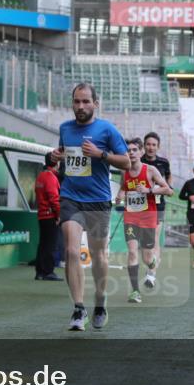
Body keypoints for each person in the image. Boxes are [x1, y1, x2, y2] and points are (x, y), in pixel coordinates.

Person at [50, 83, 129, 331]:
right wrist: (54, 157)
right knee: (72, 251)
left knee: (99, 255)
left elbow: (126, 162)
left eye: (86, 101)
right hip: (70, 197)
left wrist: (101, 154)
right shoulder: (65, 128)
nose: (81, 106)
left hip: (98, 200)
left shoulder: (107, 129)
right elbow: (63, 158)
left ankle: (100, 301)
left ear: (95, 104)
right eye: (77, 101)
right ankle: (78, 308)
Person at [115, 138, 173, 303]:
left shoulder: (150, 170)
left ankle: (153, 263)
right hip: (131, 217)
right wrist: (120, 197)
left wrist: (149, 190)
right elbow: (123, 188)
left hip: (148, 217)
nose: (131, 153)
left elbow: (168, 191)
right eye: (128, 150)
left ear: (141, 152)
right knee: (133, 251)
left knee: (147, 257)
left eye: (135, 150)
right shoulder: (124, 171)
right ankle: (135, 291)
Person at [140, 132, 171, 284]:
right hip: (141, 205)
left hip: (158, 204)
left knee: (154, 238)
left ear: (158, 147)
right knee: (143, 243)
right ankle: (151, 262)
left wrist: (168, 187)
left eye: (154, 145)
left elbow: (168, 177)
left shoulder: (163, 162)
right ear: (144, 146)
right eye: (148, 144)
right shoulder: (138, 161)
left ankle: (151, 274)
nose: (151, 147)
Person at [34, 152, 61, 281]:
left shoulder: (41, 176)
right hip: (50, 215)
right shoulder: (51, 177)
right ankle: (48, 271)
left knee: (43, 244)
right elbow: (54, 199)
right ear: (56, 162)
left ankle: (40, 272)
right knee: (50, 245)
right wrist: (59, 215)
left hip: (42, 215)